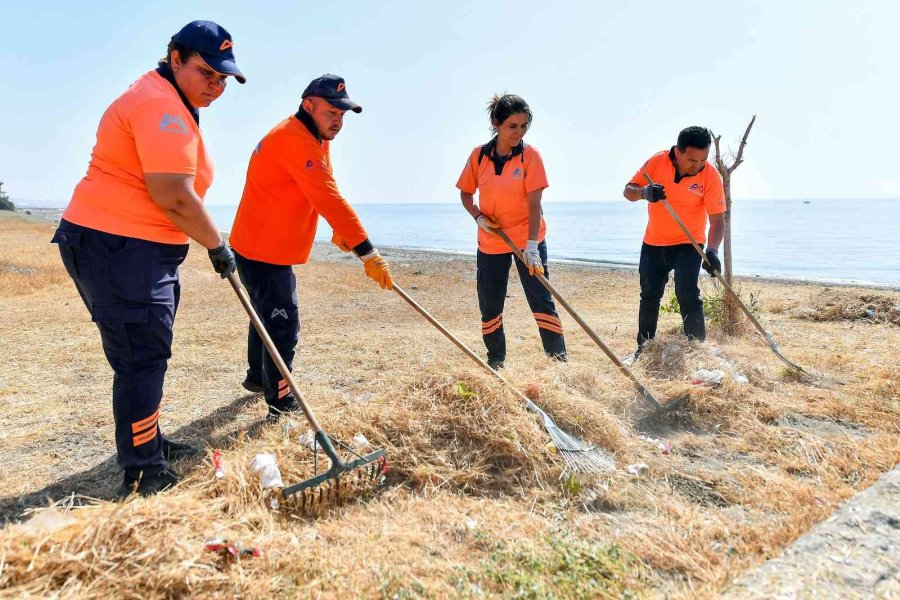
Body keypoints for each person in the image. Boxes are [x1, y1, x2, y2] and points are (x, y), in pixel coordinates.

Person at [51, 21, 245, 497]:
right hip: (119, 247)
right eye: (206, 73)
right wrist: (218, 246)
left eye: (222, 79)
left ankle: (149, 439)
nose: (215, 86)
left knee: (145, 354)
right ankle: (142, 470)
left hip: (134, 248)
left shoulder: (169, 98)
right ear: (174, 58)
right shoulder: (161, 105)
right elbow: (174, 196)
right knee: (141, 359)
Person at [228, 74, 393, 419]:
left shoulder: (311, 135)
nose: (338, 121)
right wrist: (368, 252)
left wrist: (339, 230)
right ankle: (281, 401)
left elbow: (319, 188)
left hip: (259, 242)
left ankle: (259, 378)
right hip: (262, 248)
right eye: (332, 112)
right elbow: (329, 197)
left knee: (265, 313)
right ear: (309, 105)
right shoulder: (296, 141)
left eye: (343, 115)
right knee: (283, 322)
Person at [456, 94, 566, 370]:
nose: (519, 132)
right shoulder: (479, 155)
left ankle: (559, 362)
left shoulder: (531, 156)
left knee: (541, 299)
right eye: (512, 126)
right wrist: (478, 217)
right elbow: (466, 194)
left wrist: (531, 246)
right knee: (490, 304)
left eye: (523, 126)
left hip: (527, 238)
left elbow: (534, 204)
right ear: (496, 123)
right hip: (492, 240)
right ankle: (496, 361)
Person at [623, 126, 725, 357]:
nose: (697, 165)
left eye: (703, 159)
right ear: (677, 152)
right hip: (654, 243)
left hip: (689, 244)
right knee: (649, 295)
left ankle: (698, 351)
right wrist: (644, 192)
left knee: (687, 293)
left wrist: (712, 250)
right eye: (691, 160)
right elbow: (628, 190)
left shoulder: (710, 175)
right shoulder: (657, 162)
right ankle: (644, 349)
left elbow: (717, 220)